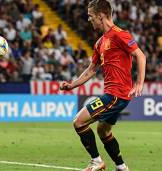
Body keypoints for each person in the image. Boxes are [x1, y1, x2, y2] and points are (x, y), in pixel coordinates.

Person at [60, 1, 146, 171]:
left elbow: (140, 56)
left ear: (101, 16)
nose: (88, 19)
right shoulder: (100, 43)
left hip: (116, 94)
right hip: (115, 94)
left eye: (90, 15)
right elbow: (91, 70)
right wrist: (72, 86)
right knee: (103, 131)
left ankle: (96, 161)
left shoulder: (120, 35)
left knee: (79, 122)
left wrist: (139, 82)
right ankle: (122, 167)